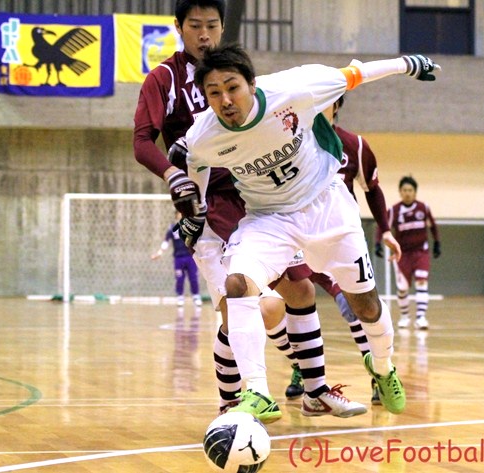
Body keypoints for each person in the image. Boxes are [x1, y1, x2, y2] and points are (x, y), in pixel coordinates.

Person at [176, 43, 440, 417]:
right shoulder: (204, 134)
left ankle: (383, 367)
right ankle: (257, 391)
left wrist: (406, 63)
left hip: (326, 205)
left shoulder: (294, 89)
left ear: (252, 84)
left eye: (232, 87)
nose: (226, 100)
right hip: (269, 217)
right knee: (237, 285)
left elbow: (356, 74)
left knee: (366, 305)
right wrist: (197, 208)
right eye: (214, 93)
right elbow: (196, 164)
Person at [134, 0, 362, 422]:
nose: (204, 34)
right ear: (178, 27)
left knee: (300, 290)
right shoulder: (164, 79)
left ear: (222, 28)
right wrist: (173, 175)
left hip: (257, 197)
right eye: (195, 25)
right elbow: (142, 141)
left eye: (212, 25)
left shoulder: (235, 73)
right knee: (245, 307)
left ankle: (315, 392)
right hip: (210, 205)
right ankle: (231, 405)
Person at [377, 176, 440, 330]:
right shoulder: (394, 211)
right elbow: (382, 227)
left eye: (410, 190)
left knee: (421, 282)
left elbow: (433, 226)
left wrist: (437, 242)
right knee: (403, 288)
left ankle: (421, 318)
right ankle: (404, 317)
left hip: (421, 252)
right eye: (404, 190)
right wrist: (377, 243)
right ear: (400, 192)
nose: (407, 193)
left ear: (415, 192)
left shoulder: (423, 208)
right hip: (402, 254)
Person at [151, 211, 202, 306]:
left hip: (190, 257)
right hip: (178, 258)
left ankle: (196, 296)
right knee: (179, 278)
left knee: (193, 277)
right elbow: (166, 241)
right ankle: (180, 297)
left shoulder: (191, 227)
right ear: (176, 215)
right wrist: (159, 252)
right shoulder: (172, 228)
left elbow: (198, 240)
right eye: (179, 214)